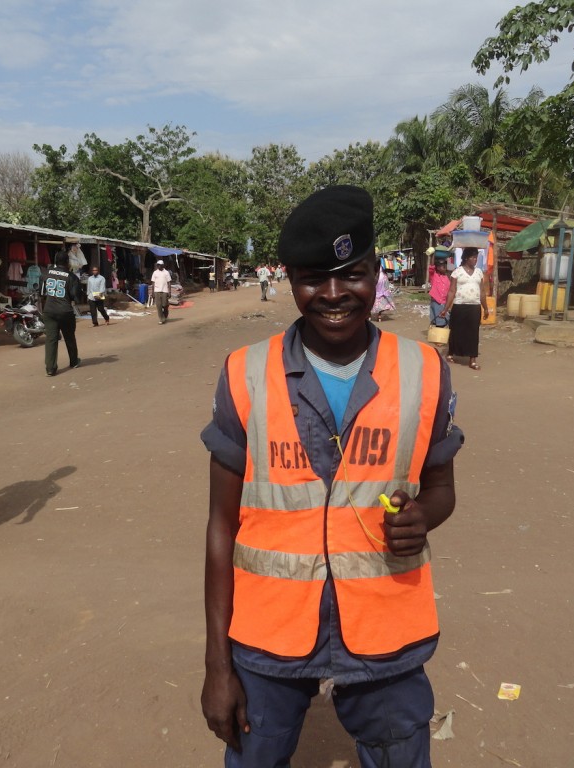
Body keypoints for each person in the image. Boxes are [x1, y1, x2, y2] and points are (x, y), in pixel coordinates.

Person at [200, 185, 463, 768]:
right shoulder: (244, 374)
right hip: (269, 638)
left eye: (353, 274)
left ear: (377, 273)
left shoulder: (425, 371)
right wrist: (218, 665)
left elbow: (441, 489)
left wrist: (425, 517)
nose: (335, 294)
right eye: (314, 277)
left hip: (385, 631)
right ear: (291, 280)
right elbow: (222, 526)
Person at [439, 246, 489, 370]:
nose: (475, 260)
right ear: (466, 258)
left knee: (473, 333)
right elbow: (451, 291)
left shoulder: (479, 272)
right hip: (459, 306)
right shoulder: (457, 272)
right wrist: (446, 309)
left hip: (474, 307)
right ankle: (451, 353)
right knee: (456, 331)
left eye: (476, 258)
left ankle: (472, 359)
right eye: (473, 257)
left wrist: (486, 308)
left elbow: (482, 292)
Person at [40, 250, 83, 376]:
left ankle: (50, 368)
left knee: (51, 340)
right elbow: (76, 297)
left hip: (49, 311)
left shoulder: (45, 274)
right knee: (69, 337)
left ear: (55, 261)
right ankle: (74, 361)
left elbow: (41, 293)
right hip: (65, 311)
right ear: (67, 262)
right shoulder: (72, 277)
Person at [428, 258, 450, 328]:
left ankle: (441, 335)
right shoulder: (434, 275)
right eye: (441, 266)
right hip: (436, 302)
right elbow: (431, 267)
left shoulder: (447, 278)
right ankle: (438, 336)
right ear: (437, 268)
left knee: (445, 320)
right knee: (439, 321)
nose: (443, 268)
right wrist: (432, 255)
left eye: (444, 266)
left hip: (444, 303)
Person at [151, 260, 172, 324]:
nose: (158, 266)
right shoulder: (155, 272)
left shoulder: (166, 272)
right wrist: (152, 292)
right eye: (157, 265)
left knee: (165, 305)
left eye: (159, 265)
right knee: (158, 306)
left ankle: (165, 315)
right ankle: (161, 319)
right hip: (157, 291)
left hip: (165, 291)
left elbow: (169, 283)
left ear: (162, 265)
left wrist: (169, 291)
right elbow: (153, 283)